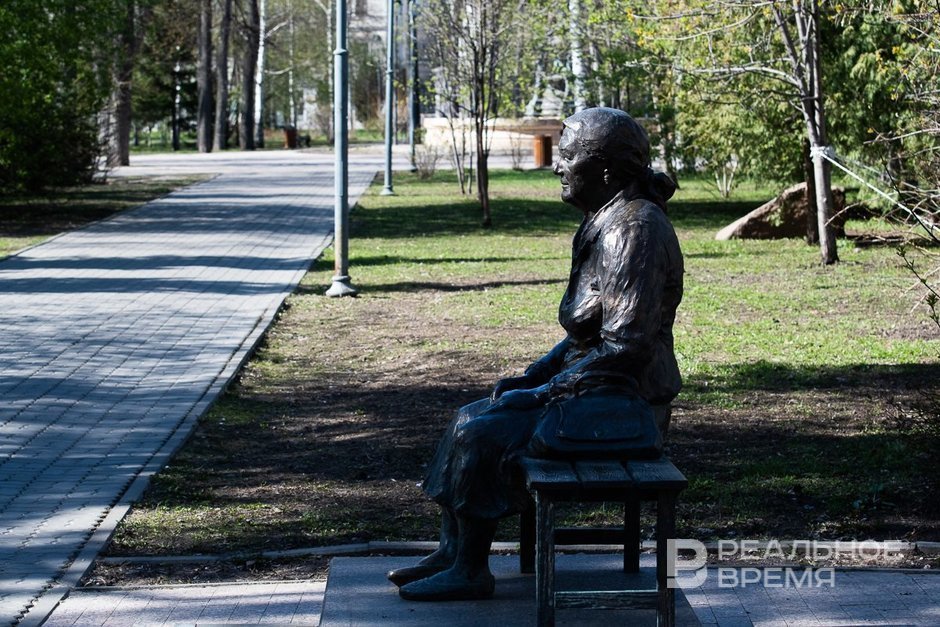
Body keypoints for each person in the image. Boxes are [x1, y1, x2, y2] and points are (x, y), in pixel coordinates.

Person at [389, 107, 684, 602]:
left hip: (628, 402)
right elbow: (588, 334)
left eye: (568, 155)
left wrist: (545, 392)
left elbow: (627, 347)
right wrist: (537, 374)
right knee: (471, 413)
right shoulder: (606, 219)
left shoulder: (634, 231)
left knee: (483, 431)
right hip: (595, 387)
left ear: (607, 171)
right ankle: (453, 549)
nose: (558, 165)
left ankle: (470, 570)